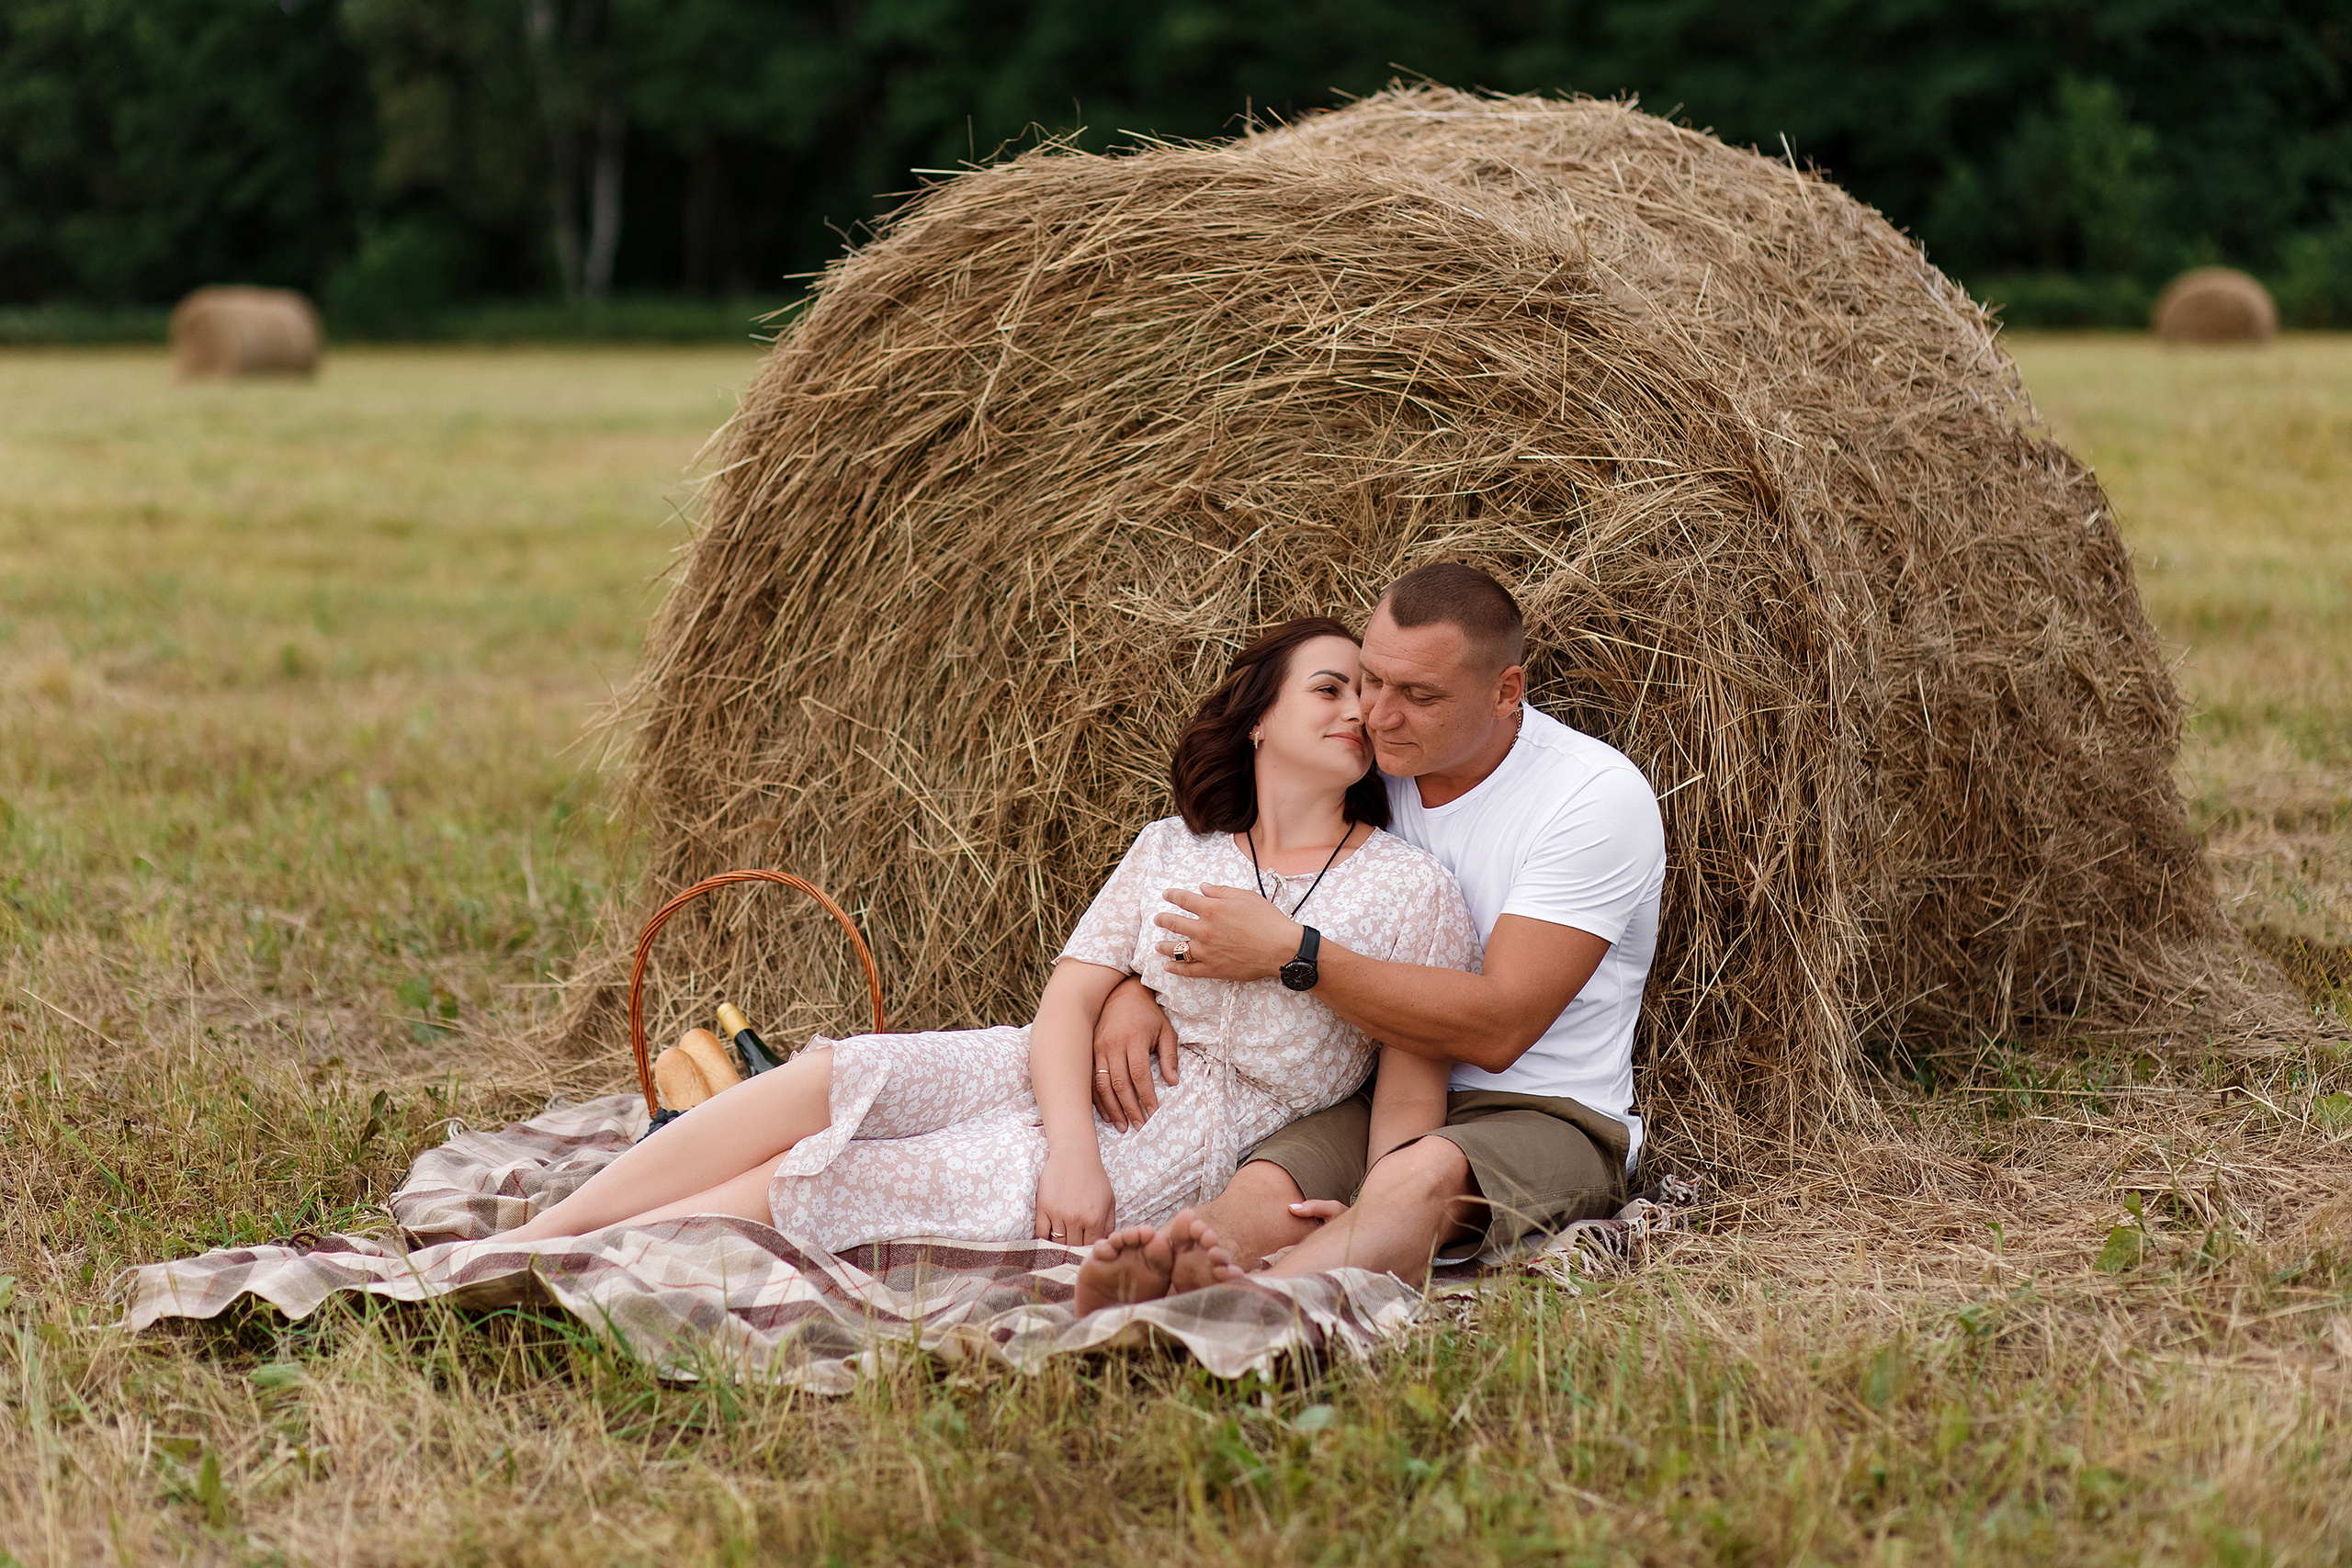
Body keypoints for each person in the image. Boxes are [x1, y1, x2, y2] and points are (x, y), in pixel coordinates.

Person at [497, 618, 1478, 1255]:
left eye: (1372, 695)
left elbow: (1408, 1093)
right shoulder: (1173, 847)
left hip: (1181, 1132)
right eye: (1330, 688)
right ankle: (549, 1228)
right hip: (1047, 1075)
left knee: (852, 1176)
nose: (1361, 711)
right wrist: (1070, 1151)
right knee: (843, 1074)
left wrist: (1372, 1216)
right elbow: (1067, 1004)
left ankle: (563, 1263)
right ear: (1258, 718)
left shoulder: (1409, 890)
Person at [1073, 563, 1665, 1312]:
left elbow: (1500, 1026)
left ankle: (1248, 1316)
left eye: (1418, 696)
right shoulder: (1377, 770)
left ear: (1506, 693)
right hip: (1378, 1083)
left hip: (1539, 1107)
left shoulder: (1589, 798)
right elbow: (1259, 858)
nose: (1377, 715)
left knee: (1416, 1176)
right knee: (1266, 1187)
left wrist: (1296, 956)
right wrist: (1138, 983)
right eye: (1371, 679)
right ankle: (1156, 1281)